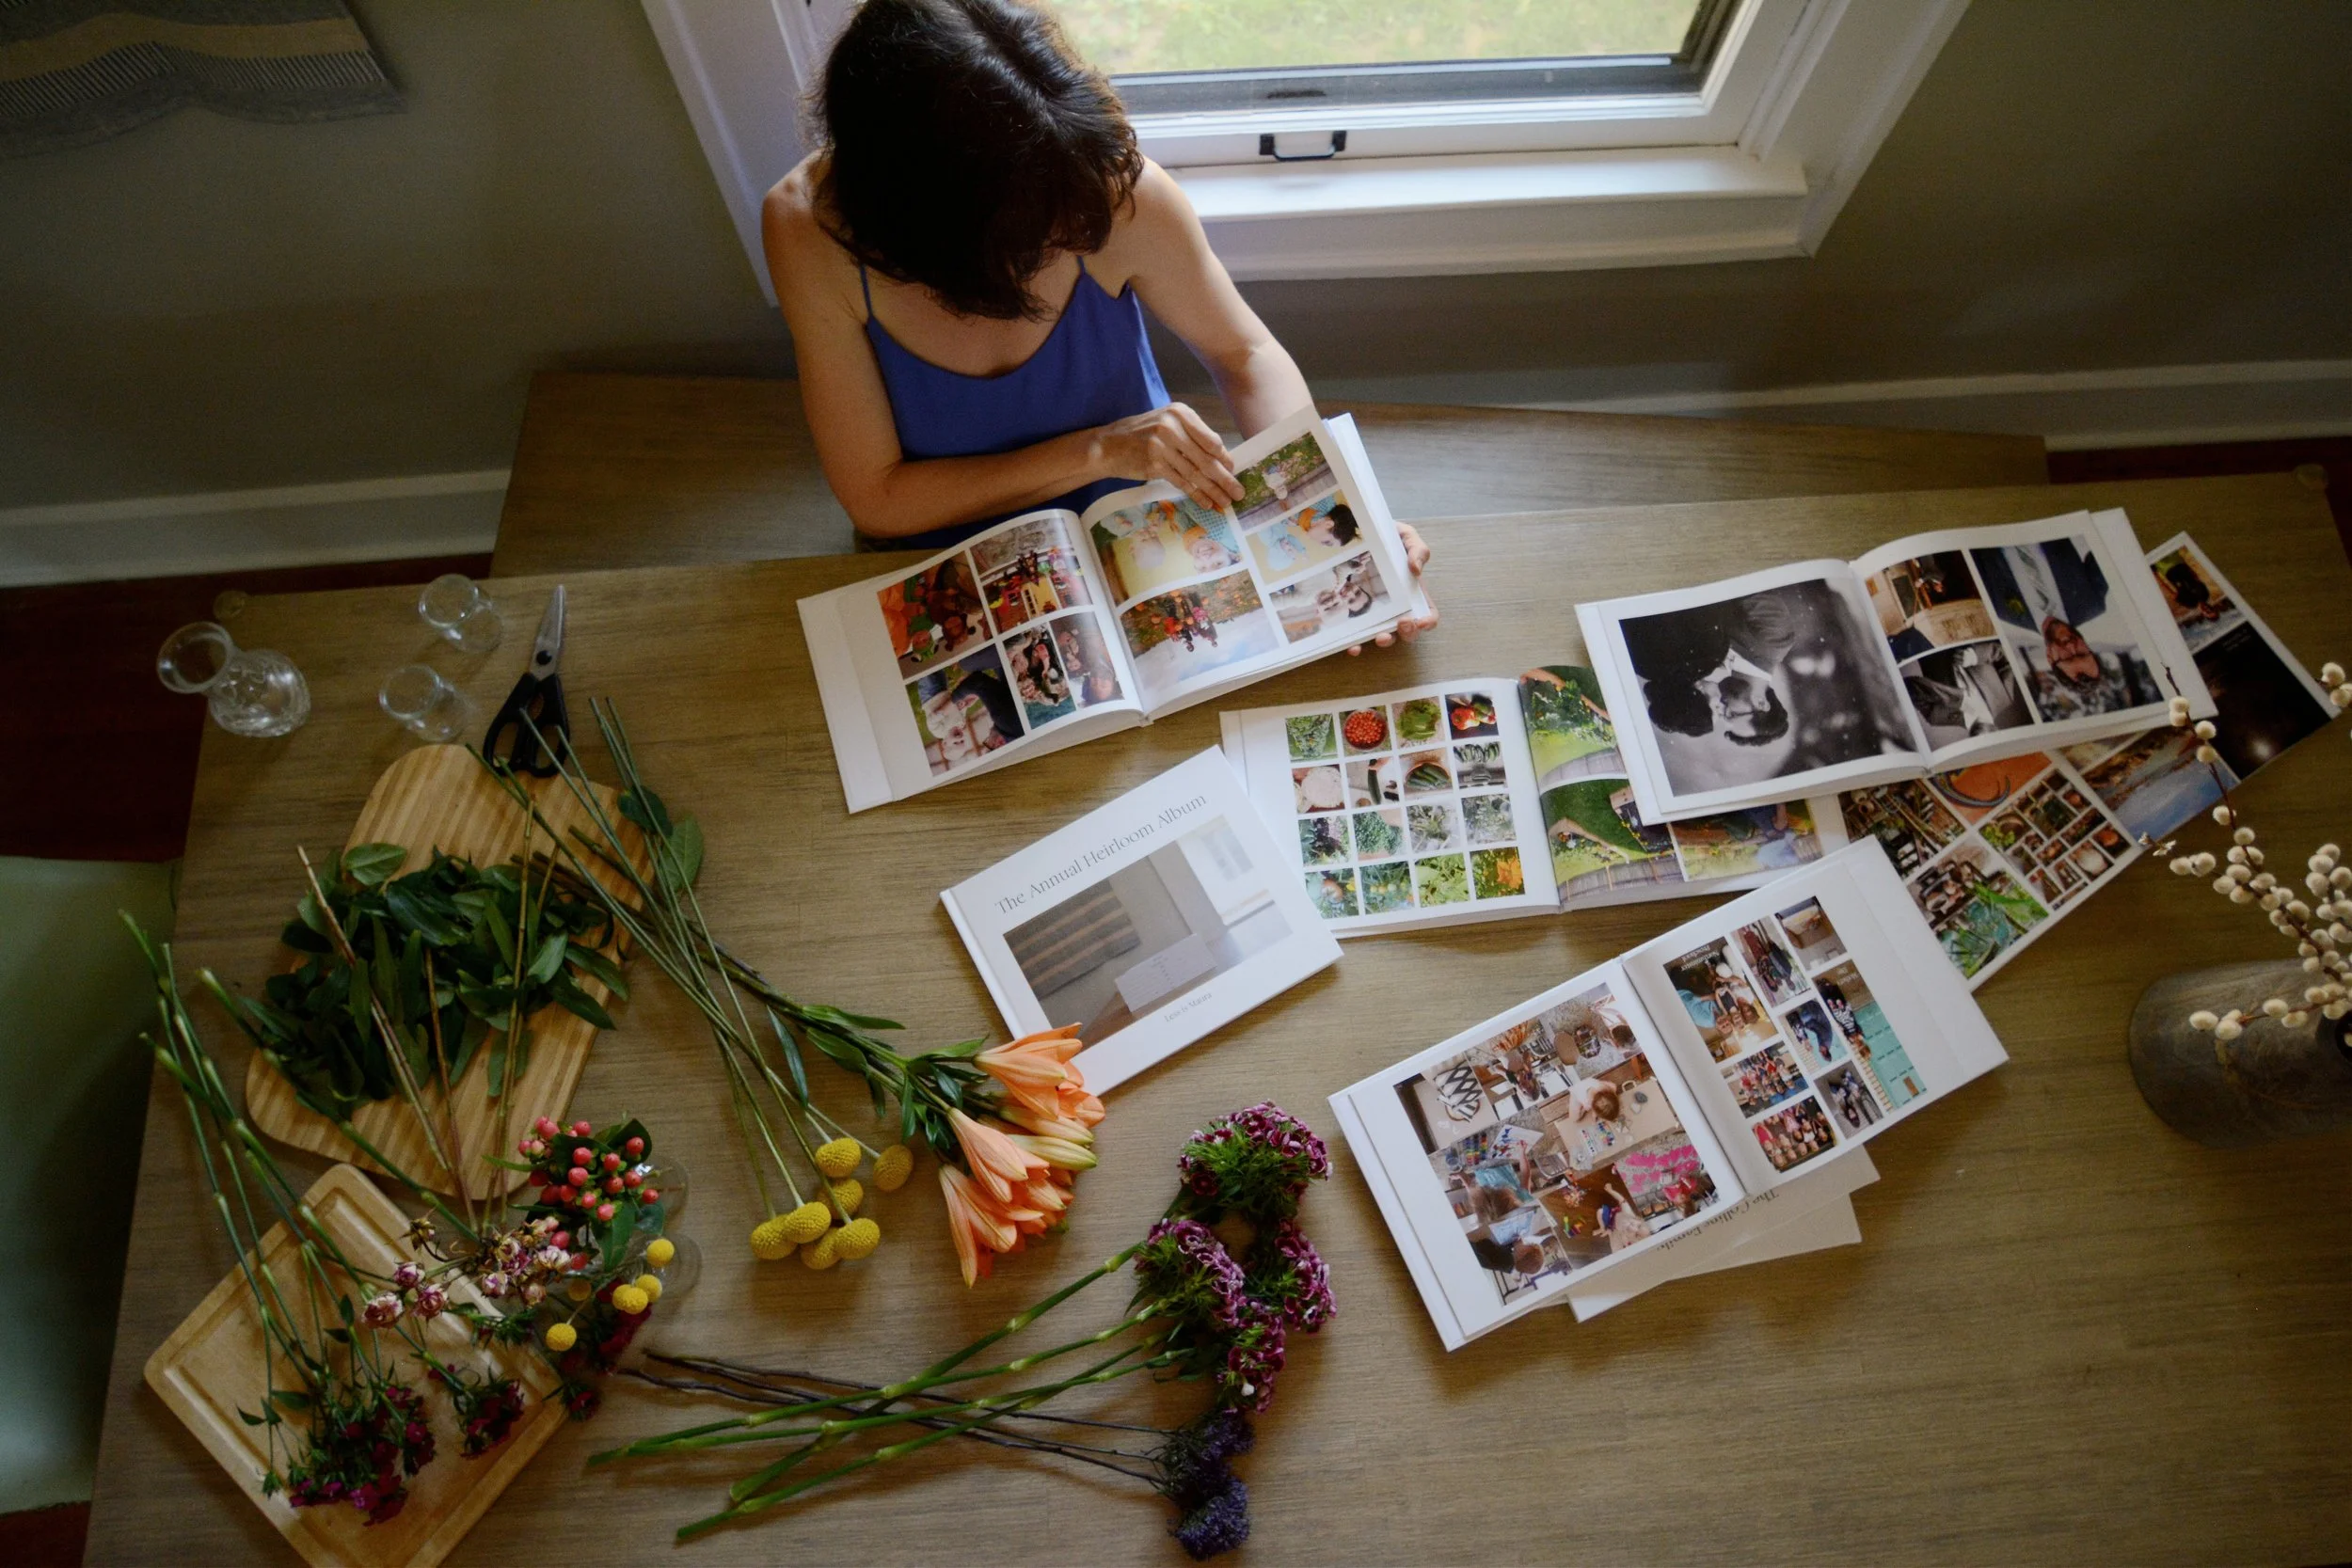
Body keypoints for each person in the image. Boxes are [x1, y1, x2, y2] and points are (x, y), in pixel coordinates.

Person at [763, 0, 1432, 650]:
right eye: (1033, 240)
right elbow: (878, 498)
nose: (1068, 237)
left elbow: (1245, 351)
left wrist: (1330, 508)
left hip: (1138, 523)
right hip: (939, 551)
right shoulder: (806, 229)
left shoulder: (1102, 182)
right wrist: (1099, 449)